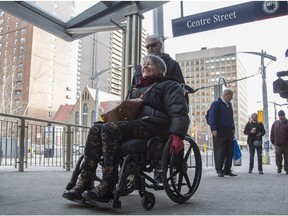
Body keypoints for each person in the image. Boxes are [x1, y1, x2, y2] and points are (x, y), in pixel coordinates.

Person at [62, 54, 190, 203]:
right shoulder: (135, 89)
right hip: (134, 125)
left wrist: (177, 134)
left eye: (150, 63)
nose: (145, 66)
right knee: (96, 128)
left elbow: (179, 111)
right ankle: (85, 181)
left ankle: (108, 185)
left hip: (154, 127)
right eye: (143, 64)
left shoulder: (170, 85)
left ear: (161, 69)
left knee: (109, 129)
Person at [208, 89, 236, 177]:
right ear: (226, 95)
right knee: (220, 151)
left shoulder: (229, 105)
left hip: (229, 132)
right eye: (231, 96)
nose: (232, 98)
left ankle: (227, 170)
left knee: (229, 151)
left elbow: (231, 118)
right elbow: (212, 117)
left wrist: (233, 128)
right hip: (219, 131)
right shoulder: (216, 104)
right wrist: (213, 129)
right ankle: (219, 169)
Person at [270, 110, 288, 174]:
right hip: (277, 143)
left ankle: (287, 169)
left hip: (286, 144)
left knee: (287, 157)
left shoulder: (287, 122)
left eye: (282, 115)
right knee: (278, 156)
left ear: (284, 115)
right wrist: (273, 142)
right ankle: (279, 167)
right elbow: (272, 133)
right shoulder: (275, 123)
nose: (280, 116)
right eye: (279, 115)